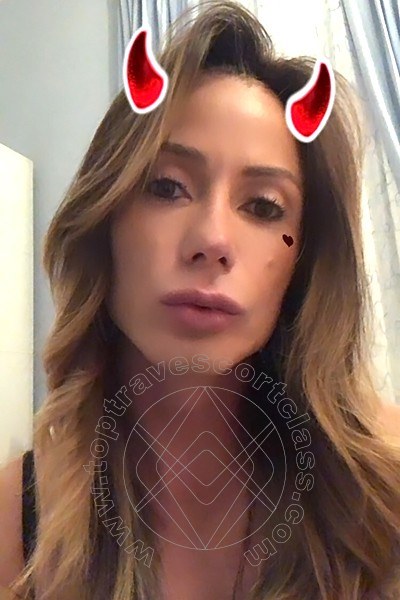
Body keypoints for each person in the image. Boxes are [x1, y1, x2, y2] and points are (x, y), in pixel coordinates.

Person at [1, 0, 400, 598]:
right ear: (104, 222)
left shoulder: (382, 486)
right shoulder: (18, 517)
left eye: (263, 206)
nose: (212, 240)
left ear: (304, 260)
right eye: (167, 187)